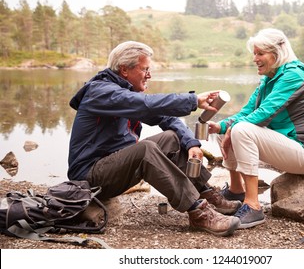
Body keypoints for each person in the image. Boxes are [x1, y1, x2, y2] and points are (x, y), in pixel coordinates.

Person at [67, 41, 241, 237]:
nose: (149, 75)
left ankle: (206, 193)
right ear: (124, 69)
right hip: (89, 176)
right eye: (145, 69)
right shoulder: (101, 92)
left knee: (172, 137)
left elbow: (165, 117)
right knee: (145, 149)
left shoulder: (124, 93)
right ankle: (198, 212)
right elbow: (147, 104)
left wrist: (191, 143)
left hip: (116, 166)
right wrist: (193, 101)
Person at [208, 28, 304, 229]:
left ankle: (253, 205)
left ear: (277, 53)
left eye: (260, 53)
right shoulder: (268, 80)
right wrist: (220, 126)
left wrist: (233, 128)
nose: (255, 59)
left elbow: (265, 113)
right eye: (254, 53)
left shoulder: (294, 76)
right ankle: (236, 190)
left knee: (240, 129)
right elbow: (246, 112)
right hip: (290, 147)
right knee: (229, 128)